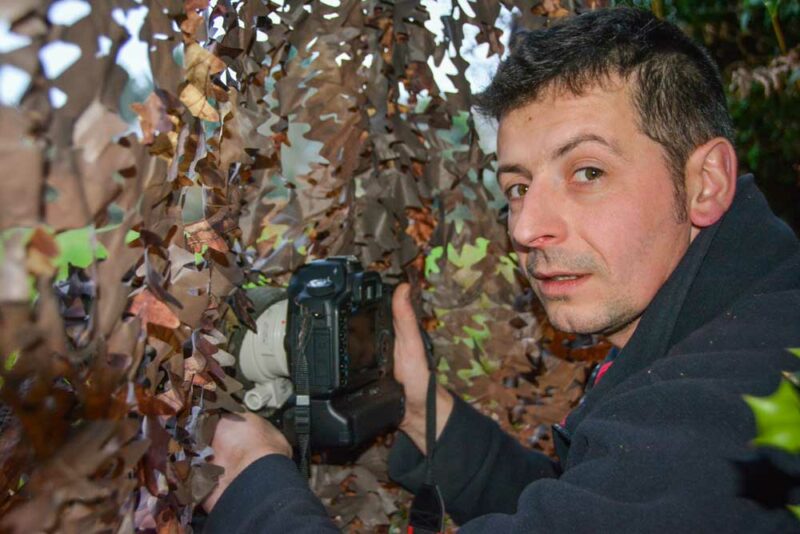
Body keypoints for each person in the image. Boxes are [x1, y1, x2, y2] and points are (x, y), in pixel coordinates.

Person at [201, 7, 800, 532]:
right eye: (516, 186)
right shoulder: (737, 318)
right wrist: (418, 408)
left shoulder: (725, 413)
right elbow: (594, 503)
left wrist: (253, 485)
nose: (524, 228)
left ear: (706, 182)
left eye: (587, 172)